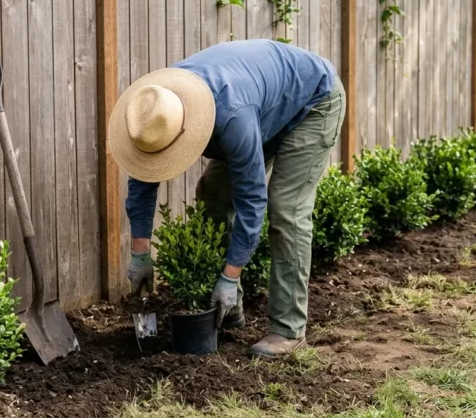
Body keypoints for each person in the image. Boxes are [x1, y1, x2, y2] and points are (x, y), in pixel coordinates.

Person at [108, 39, 345, 358]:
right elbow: (143, 180)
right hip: (262, 104)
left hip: (313, 100)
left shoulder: (230, 118)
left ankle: (288, 329)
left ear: (186, 129)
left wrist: (230, 275)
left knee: (285, 209)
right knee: (214, 194)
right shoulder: (154, 106)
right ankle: (230, 311)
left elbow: (252, 199)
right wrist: (140, 253)